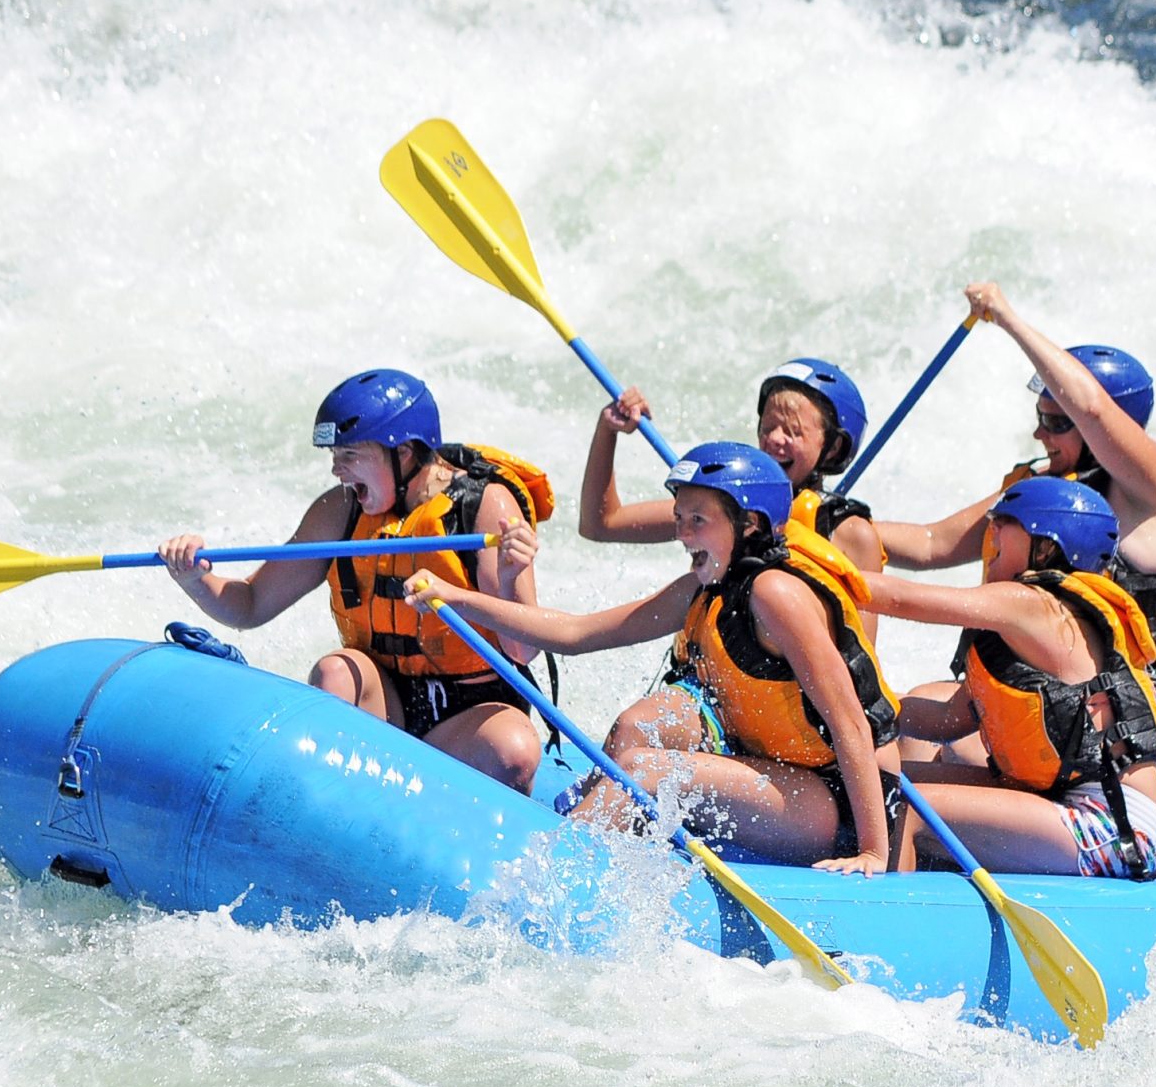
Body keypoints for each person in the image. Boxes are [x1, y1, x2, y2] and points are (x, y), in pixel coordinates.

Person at [413, 442, 899, 876]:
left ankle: (550, 876)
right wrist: (456, 598)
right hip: (759, 760)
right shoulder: (705, 585)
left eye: (698, 521)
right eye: (679, 519)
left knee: (646, 772)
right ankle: (595, 839)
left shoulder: (776, 594)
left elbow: (849, 722)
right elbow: (575, 633)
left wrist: (873, 851)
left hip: (820, 799)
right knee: (634, 731)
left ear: (749, 524)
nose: (683, 534)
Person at [877, 282, 1156, 773]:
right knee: (915, 722)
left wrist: (1007, 317)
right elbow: (932, 544)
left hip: (1155, 703)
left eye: (1055, 422)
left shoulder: (1155, 491)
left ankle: (938, 825)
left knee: (963, 748)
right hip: (1059, 688)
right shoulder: (1047, 494)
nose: (1040, 433)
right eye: (1040, 418)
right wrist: (827, 525)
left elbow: (1092, 407)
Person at [159, 369, 555, 792]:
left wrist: (513, 578)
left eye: (349, 455)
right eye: (334, 456)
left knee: (514, 750)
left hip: (472, 713)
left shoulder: (484, 505)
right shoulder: (341, 511)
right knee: (336, 673)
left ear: (402, 452)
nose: (336, 470)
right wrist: (195, 579)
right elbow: (251, 604)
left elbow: (522, 650)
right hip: (385, 703)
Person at [863, 479, 1156, 879]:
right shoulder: (1023, 630)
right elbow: (947, 720)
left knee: (907, 807)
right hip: (1061, 800)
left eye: (1003, 525)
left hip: (1109, 827)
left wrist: (814, 575)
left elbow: (901, 599)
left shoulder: (1034, 604)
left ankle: (883, 920)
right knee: (880, 783)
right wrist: (857, 706)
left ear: (1045, 546)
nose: (990, 538)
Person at [577, 357, 885, 577]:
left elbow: (858, 656)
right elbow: (600, 524)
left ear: (832, 447)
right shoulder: (721, 503)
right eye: (768, 427)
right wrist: (608, 431)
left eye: (792, 431)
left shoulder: (853, 536)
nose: (774, 440)